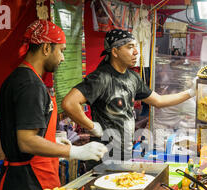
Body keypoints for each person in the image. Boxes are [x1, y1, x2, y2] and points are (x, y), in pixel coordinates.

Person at [0, 20, 108, 190]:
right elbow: (26, 141)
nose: (62, 58)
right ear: (47, 48)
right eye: (61, 50)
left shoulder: (17, 78)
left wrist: (50, 140)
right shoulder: (31, 85)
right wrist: (75, 151)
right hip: (29, 185)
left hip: (22, 179)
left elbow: (20, 130)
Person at [62, 29, 196, 164]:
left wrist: (191, 92)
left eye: (135, 47)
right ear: (115, 52)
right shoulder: (102, 77)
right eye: (130, 47)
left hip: (124, 154)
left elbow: (159, 100)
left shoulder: (132, 78)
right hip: (103, 156)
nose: (136, 52)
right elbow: (69, 103)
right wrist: (92, 127)